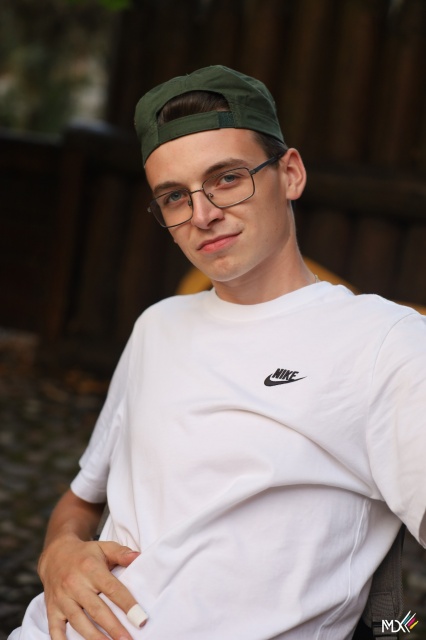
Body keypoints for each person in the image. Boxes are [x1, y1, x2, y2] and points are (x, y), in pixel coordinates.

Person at [9, 65, 426, 640]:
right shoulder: (157, 326)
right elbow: (81, 500)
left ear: (290, 174)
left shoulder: (385, 343)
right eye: (174, 197)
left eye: (227, 178)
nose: (202, 214)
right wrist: (57, 553)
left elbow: (398, 614)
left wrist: (402, 627)